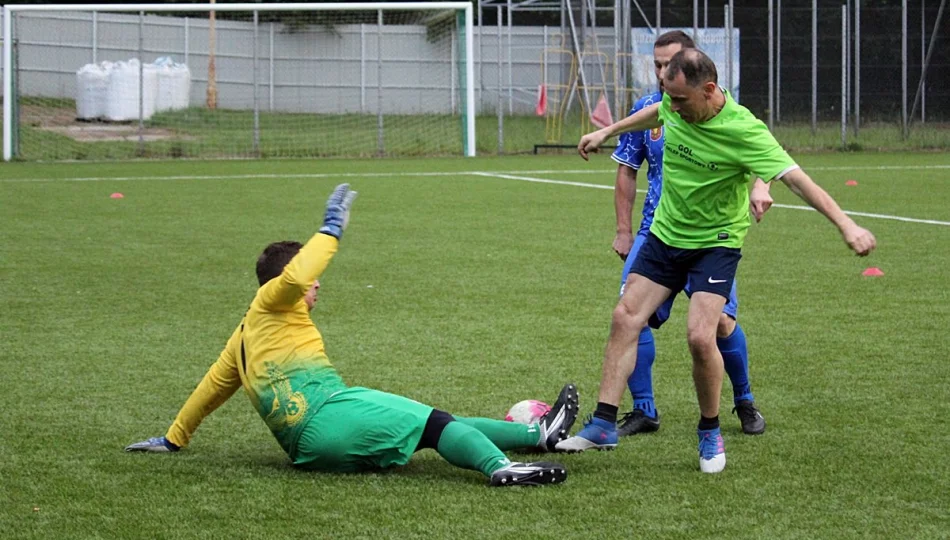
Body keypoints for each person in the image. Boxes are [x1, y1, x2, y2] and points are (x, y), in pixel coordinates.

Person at [126, 184, 579, 487]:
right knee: (436, 422)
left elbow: (210, 389)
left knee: (433, 427)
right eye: (308, 279)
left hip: (306, 448)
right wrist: (329, 230)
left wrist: (173, 438)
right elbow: (298, 275)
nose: (316, 283)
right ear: (282, 282)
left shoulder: (243, 337)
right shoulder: (272, 300)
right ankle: (502, 468)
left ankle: (538, 433)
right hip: (328, 414)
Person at [558, 49, 876, 473]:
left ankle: (710, 430)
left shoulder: (745, 130)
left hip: (716, 242)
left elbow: (799, 181)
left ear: (709, 90)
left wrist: (847, 226)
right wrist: (609, 132)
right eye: (668, 97)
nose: (673, 108)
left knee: (699, 336)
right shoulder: (674, 106)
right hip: (666, 234)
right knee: (624, 317)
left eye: (681, 100)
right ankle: (603, 424)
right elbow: (656, 113)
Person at [610, 31, 770, 438]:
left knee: (716, 327)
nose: (662, 73)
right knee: (630, 315)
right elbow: (627, 169)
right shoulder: (650, 109)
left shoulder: (713, 106)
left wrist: (760, 185)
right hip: (657, 232)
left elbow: (756, 154)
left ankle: (744, 400)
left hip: (709, 237)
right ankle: (644, 410)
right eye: (657, 65)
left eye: (669, 64)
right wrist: (624, 230)